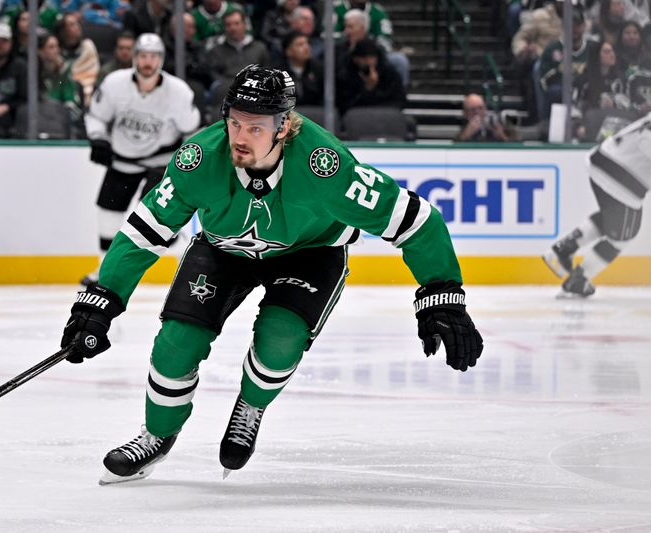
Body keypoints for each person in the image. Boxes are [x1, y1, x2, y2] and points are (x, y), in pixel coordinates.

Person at [60, 65, 484, 483]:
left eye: (255, 127)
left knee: (279, 340)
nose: (240, 137)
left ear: (284, 127)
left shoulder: (325, 167)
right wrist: (102, 301)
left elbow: (417, 221)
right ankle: (157, 434)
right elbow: (143, 233)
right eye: (235, 123)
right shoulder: (198, 159)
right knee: (176, 342)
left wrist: (441, 295)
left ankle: (251, 405)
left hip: (310, 254)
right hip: (223, 250)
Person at [80, 32, 200, 287]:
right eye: (143, 56)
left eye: (153, 57)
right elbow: (97, 116)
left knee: (153, 217)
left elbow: (192, 131)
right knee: (109, 213)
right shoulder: (114, 83)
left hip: (161, 163)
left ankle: (186, 258)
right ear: (134, 57)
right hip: (122, 160)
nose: (148, 62)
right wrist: (98, 138)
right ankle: (104, 268)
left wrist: (186, 163)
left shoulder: (178, 92)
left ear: (161, 60)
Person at [542, 112, 651, 297]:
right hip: (622, 178)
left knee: (613, 220)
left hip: (602, 159)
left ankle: (563, 249)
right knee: (623, 236)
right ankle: (578, 280)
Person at [336, 37, 406, 114]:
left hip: (384, 112)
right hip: (357, 114)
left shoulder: (388, 73)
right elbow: (344, 103)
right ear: (355, 58)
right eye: (364, 58)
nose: (368, 62)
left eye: (371, 57)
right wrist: (367, 89)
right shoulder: (345, 74)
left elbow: (398, 99)